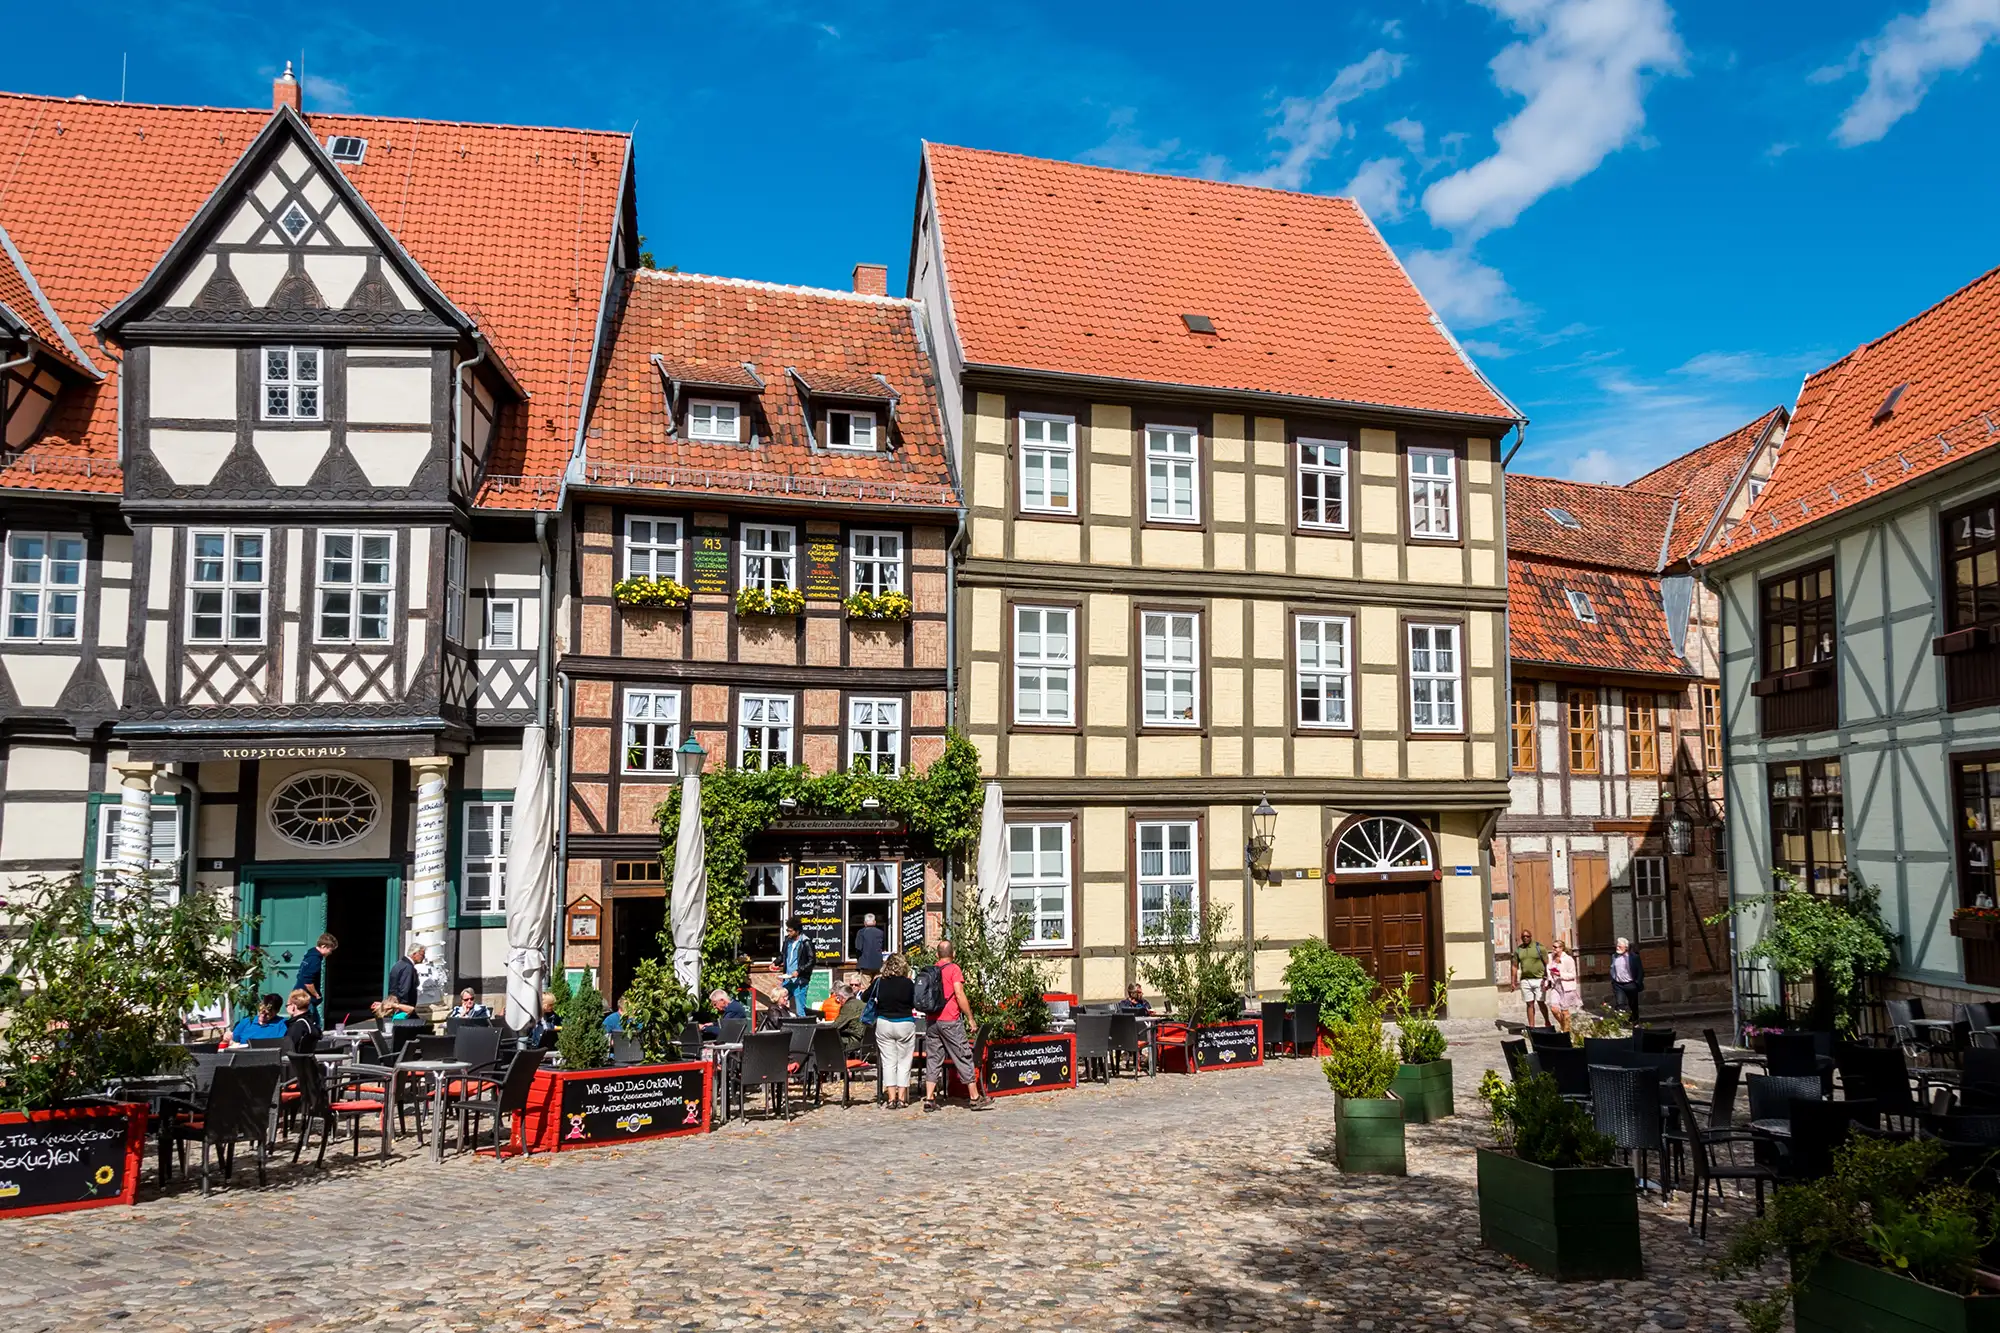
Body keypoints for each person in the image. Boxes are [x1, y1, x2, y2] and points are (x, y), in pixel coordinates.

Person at [922, 940, 992, 1112]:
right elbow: (959, 994)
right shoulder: (954, 969)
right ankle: (975, 1098)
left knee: (933, 1058)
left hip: (932, 1021)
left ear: (937, 955)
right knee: (963, 1055)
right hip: (950, 1020)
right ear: (953, 954)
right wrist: (970, 1018)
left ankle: (929, 1098)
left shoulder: (931, 971)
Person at [867, 954, 918, 1107]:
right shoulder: (909, 984)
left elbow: (864, 997)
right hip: (905, 1023)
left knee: (888, 1063)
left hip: (884, 1023)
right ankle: (902, 1098)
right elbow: (915, 1002)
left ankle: (890, 1099)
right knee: (904, 1062)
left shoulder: (879, 982)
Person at [294, 932, 337, 1025]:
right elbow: (308, 981)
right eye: (330, 949)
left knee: (313, 1021)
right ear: (323, 946)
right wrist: (316, 994)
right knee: (310, 1023)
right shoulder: (315, 960)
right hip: (305, 996)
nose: (330, 952)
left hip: (299, 992)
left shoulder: (309, 956)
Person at [779, 918, 814, 1019]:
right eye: (787, 930)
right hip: (788, 979)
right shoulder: (787, 941)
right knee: (779, 1002)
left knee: (800, 1010)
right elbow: (783, 955)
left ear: (797, 931)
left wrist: (799, 971)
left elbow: (812, 961)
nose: (788, 933)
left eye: (790, 931)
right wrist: (775, 962)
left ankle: (803, 1030)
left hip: (800, 981)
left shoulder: (806, 942)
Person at [1544, 939, 1580, 1035]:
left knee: (1565, 1012)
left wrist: (1560, 974)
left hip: (1566, 987)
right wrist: (1548, 982)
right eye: (1553, 946)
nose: (1553, 948)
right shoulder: (1550, 958)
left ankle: (1566, 1032)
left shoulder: (1568, 959)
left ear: (1561, 948)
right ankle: (1564, 1026)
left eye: (1555, 947)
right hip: (1556, 986)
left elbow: (1573, 975)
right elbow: (1548, 972)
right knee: (1554, 1008)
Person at [1514, 930, 1549, 1028]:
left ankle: (1547, 1021)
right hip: (1525, 980)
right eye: (1523, 937)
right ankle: (1531, 1026)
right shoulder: (1518, 950)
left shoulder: (1539, 947)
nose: (1525, 938)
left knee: (1541, 1002)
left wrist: (1546, 978)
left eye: (1527, 936)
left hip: (1539, 979)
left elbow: (1547, 963)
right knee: (1529, 1004)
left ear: (1531, 936)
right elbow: (1514, 966)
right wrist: (1513, 981)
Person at [1610, 937, 1645, 1022]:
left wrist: (1637, 983)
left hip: (1631, 984)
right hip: (1618, 985)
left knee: (1633, 1004)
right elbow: (1612, 968)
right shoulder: (1614, 956)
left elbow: (1640, 971)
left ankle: (1635, 1020)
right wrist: (1614, 981)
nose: (1617, 948)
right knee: (1620, 1004)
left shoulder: (1634, 957)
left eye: (1620, 946)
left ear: (1626, 947)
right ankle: (1621, 1022)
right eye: (1617, 946)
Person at [385, 943, 424, 1012]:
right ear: (414, 954)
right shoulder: (408, 967)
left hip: (395, 1003)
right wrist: (405, 1007)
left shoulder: (399, 964)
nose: (423, 957)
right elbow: (404, 989)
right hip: (403, 1006)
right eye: (422, 955)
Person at [834, 983, 867, 1056]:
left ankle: (829, 1064)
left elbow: (835, 1026)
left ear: (842, 997)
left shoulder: (848, 1006)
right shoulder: (862, 1003)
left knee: (826, 1038)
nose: (838, 1001)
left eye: (838, 998)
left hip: (853, 1041)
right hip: (864, 1040)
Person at [283, 990, 320, 1054]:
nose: (287, 1008)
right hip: (305, 1060)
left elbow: (287, 1050)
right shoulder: (311, 1022)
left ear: (293, 1007)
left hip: (292, 1062)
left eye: (287, 1005)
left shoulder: (297, 1026)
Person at [854, 913, 887, 981]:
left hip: (865, 965)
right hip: (878, 964)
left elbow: (858, 947)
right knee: (877, 986)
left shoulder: (861, 932)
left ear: (865, 923)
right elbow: (883, 948)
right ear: (874, 922)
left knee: (866, 988)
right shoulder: (880, 932)